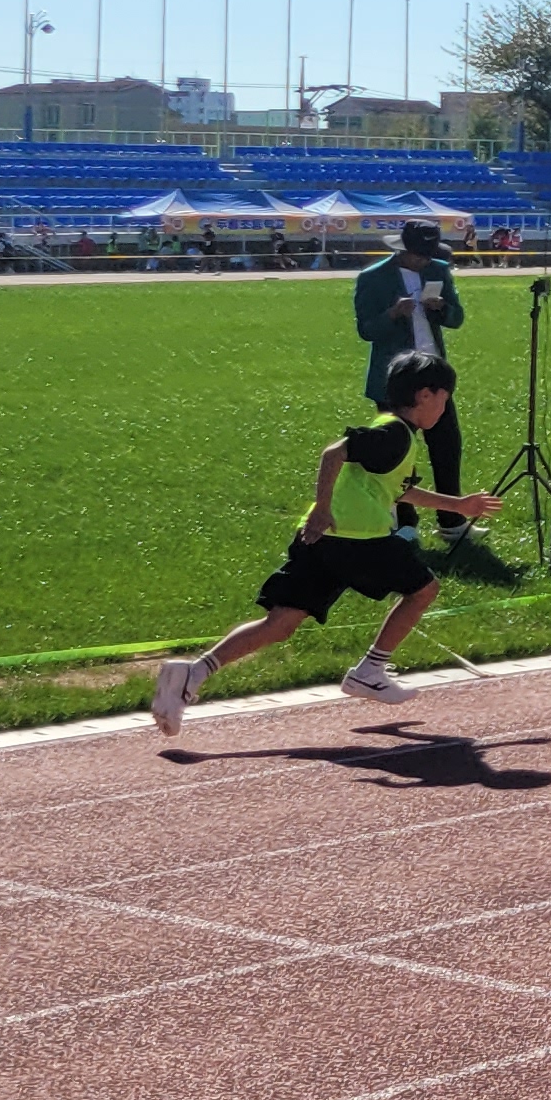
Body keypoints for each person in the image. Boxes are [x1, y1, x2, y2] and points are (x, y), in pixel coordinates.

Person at [149, 354, 502, 736]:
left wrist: (459, 505)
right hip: (356, 538)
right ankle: (370, 670)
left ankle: (191, 673)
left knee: (280, 623)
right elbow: (334, 452)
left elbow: (397, 490)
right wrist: (322, 507)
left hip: (323, 540)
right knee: (423, 590)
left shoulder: (395, 436)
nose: (445, 408)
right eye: (444, 398)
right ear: (424, 394)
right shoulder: (395, 433)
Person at [351, 219, 472, 536]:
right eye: (419, 254)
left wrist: (442, 308)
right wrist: (392, 314)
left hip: (434, 373)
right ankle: (405, 523)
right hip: (396, 378)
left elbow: (458, 318)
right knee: (399, 453)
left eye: (428, 255)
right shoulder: (373, 278)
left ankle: (452, 522)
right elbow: (366, 330)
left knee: (447, 446)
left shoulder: (438, 270)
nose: (424, 261)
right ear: (403, 249)